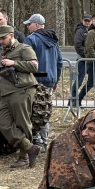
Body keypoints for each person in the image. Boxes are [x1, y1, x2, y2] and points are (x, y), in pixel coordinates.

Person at [0, 24, 39, 167]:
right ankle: (30, 147)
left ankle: (23, 158)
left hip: (22, 89)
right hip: (5, 93)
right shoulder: (1, 51)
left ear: (11, 36)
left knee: (23, 123)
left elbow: (34, 66)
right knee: (2, 122)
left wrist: (14, 63)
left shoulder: (24, 49)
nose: (0, 41)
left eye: (3, 38)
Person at [23, 13, 63, 147]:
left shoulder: (31, 39)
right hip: (50, 80)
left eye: (29, 24)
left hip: (35, 80)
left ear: (36, 25)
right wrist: (56, 79)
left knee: (33, 111)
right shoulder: (53, 40)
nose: (28, 27)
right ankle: (44, 140)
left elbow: (25, 60)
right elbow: (59, 62)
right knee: (44, 110)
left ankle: (36, 139)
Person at [71, 13, 91, 108]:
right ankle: (73, 100)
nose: (87, 22)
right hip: (82, 60)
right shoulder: (80, 31)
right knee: (79, 81)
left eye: (88, 21)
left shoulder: (88, 30)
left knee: (94, 81)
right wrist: (86, 55)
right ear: (82, 21)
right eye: (85, 21)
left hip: (88, 60)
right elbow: (77, 45)